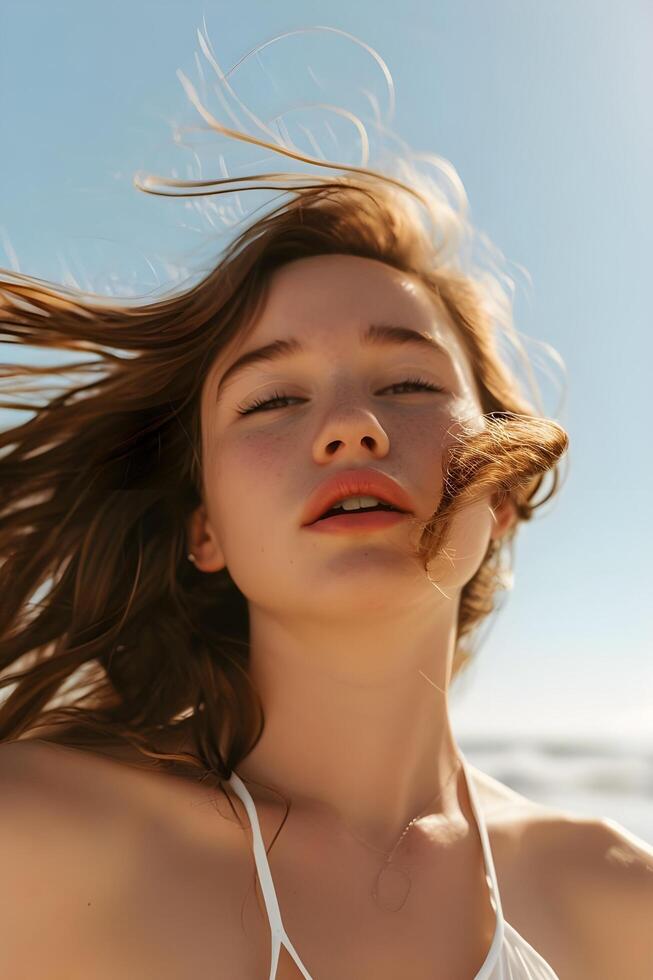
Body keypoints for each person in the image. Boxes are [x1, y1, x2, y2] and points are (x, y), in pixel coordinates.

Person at [0, 35, 651, 980]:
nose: (351, 428)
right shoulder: (36, 840)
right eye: (272, 400)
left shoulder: (612, 896)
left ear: (501, 489)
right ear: (204, 526)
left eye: (411, 384)